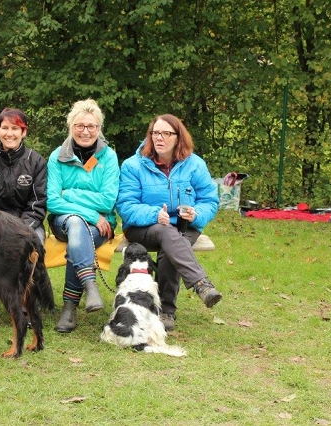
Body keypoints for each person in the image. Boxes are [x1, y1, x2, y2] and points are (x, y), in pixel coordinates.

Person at [116, 114, 222, 331]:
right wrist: (154, 214)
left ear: (178, 137)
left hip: (184, 226)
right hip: (144, 227)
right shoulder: (133, 165)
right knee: (167, 233)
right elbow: (126, 205)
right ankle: (200, 283)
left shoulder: (195, 164)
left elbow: (209, 200)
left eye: (166, 133)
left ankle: (165, 312)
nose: (159, 138)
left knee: (171, 245)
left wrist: (196, 214)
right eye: (155, 133)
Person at [0, 108, 48, 329]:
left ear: (24, 132)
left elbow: (38, 203)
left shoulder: (36, 162)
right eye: (5, 128)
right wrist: (0, 229)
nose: (9, 133)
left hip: (27, 224)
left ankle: (26, 308)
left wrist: (18, 230)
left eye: (15, 128)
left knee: (35, 245)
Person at [47, 99, 120, 333]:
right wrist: (90, 212)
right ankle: (89, 285)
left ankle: (69, 307)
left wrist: (69, 194)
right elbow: (52, 201)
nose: (85, 131)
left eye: (91, 126)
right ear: (71, 127)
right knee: (77, 223)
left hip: (101, 226)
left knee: (79, 237)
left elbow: (107, 201)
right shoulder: (57, 156)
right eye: (80, 125)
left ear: (99, 128)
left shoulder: (108, 157)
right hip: (64, 220)